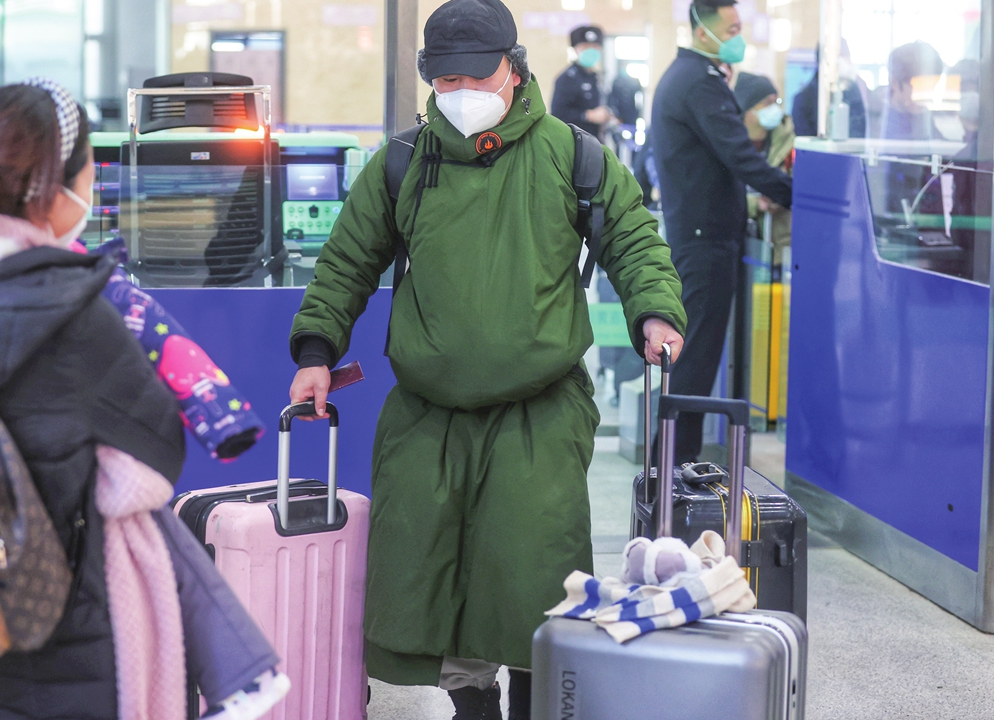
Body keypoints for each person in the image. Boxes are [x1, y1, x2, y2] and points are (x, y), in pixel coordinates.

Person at [0, 80, 283, 720]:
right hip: (71, 628)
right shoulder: (84, 299)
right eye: (91, 173)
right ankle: (241, 672)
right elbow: (151, 448)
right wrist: (223, 420)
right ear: (55, 188)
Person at [287, 1, 687, 718]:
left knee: (534, 571)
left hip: (539, 409)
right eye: (447, 80)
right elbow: (346, 263)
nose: (463, 91)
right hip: (427, 412)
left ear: (514, 67)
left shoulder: (572, 155)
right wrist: (317, 350)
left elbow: (633, 237)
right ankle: (472, 703)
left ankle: (537, 697)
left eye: (478, 75)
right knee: (428, 571)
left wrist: (654, 310)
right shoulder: (403, 163)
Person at [650, 0, 792, 464]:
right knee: (693, 365)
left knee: (696, 362)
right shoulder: (698, 83)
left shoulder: (693, 77)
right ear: (702, 31)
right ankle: (672, 476)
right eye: (731, 29)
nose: (738, 37)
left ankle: (673, 470)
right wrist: (798, 194)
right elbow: (740, 156)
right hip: (704, 241)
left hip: (702, 235)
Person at [734, 72, 796, 249]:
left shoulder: (788, 144)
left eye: (776, 102)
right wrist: (755, 204)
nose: (774, 110)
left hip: (779, 242)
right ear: (747, 111)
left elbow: (797, 186)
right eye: (767, 104)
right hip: (737, 240)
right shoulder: (730, 146)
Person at [791, 42, 869, 138]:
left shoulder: (854, 92)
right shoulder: (803, 99)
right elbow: (804, 140)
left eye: (844, 56)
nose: (841, 61)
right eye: (837, 56)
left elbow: (860, 130)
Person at [551, 25, 615, 138]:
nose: (591, 51)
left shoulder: (597, 77)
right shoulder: (567, 78)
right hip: (574, 140)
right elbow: (557, 113)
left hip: (596, 139)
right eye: (585, 47)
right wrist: (587, 115)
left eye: (595, 47)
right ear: (576, 49)